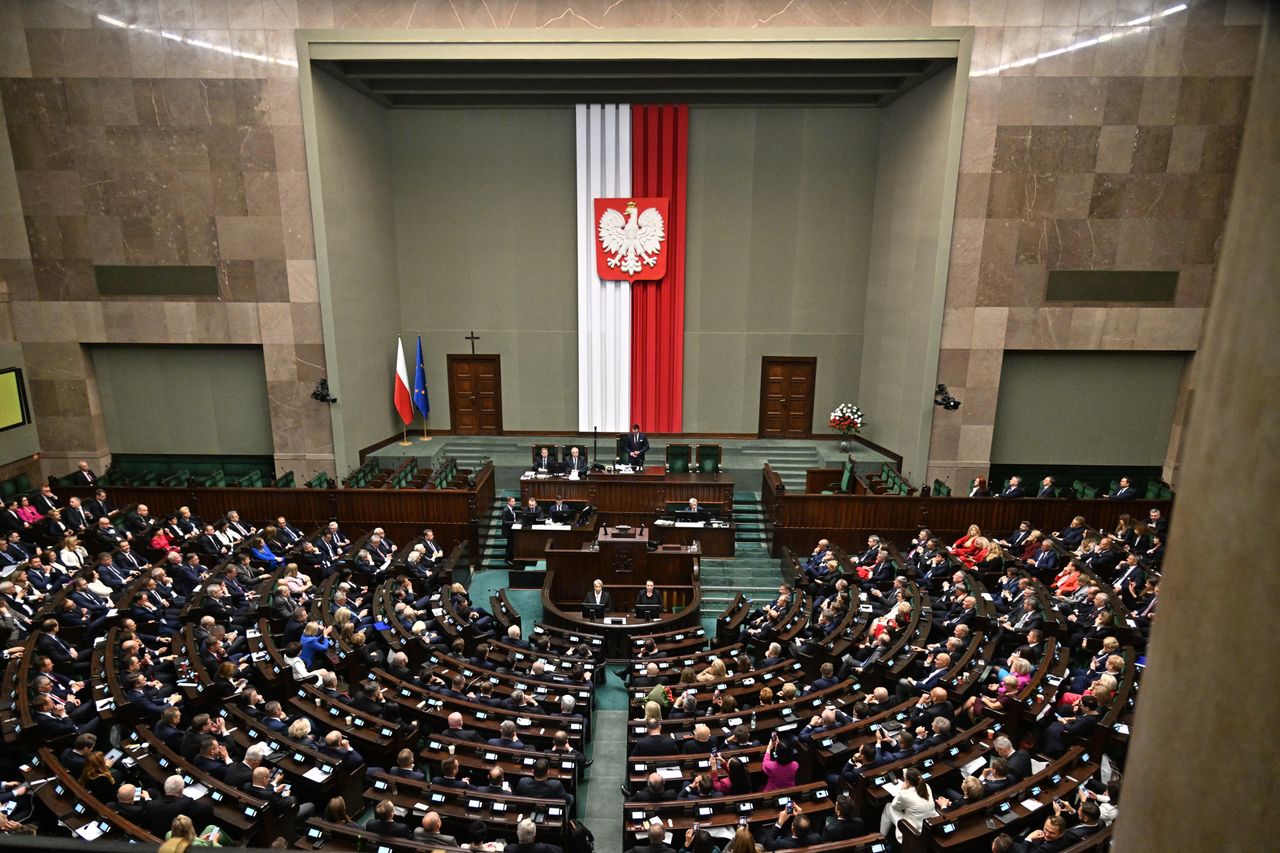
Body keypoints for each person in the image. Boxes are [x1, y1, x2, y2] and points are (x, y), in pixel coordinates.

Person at [881, 768, 937, 843]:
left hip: (913, 831)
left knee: (888, 806)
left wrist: (902, 790)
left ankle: (882, 836)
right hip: (931, 826)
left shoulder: (904, 793)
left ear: (907, 781)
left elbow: (895, 806)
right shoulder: (926, 786)